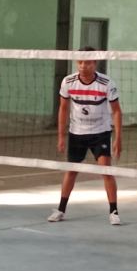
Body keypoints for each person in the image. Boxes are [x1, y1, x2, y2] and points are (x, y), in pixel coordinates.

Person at [47, 51, 123, 224]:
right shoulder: (68, 81)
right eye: (80, 62)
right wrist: (61, 136)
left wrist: (118, 139)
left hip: (100, 132)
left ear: (95, 63)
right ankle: (61, 210)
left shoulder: (106, 83)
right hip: (77, 133)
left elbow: (117, 111)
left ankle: (114, 212)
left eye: (87, 63)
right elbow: (63, 109)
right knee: (71, 171)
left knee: (106, 170)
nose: (83, 66)